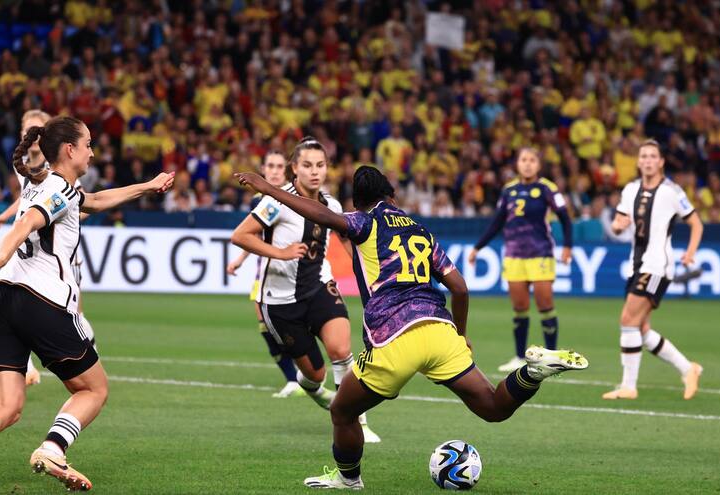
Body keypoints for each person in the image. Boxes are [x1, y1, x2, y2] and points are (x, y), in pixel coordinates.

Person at [235, 165, 589, 490]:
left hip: (394, 334)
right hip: (439, 329)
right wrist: (462, 334)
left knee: (343, 411)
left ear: (359, 203)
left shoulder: (364, 222)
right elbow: (460, 288)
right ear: (392, 196)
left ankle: (349, 479)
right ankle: (533, 373)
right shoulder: (421, 231)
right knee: (494, 407)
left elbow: (324, 216)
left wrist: (268, 187)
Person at [0, 115, 174, 493]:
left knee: (7, 404)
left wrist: (148, 186)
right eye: (88, 144)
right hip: (40, 300)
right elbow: (28, 223)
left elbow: (97, 200)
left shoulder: (48, 186)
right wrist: (2, 254)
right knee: (93, 389)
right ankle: (52, 449)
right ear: (70, 150)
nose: (92, 151)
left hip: (0, 299)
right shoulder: (59, 191)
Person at [230, 137, 380, 442]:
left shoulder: (332, 205)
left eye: (321, 165)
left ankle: (357, 422)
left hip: (319, 287)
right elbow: (240, 235)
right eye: (308, 165)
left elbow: (348, 243)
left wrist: (372, 275)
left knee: (341, 350)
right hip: (280, 301)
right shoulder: (275, 203)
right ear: (294, 169)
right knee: (315, 374)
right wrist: (282, 253)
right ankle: (312, 388)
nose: (315, 172)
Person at [0, 110, 98, 388]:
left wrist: (58, 219)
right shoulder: (23, 164)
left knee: (75, 312)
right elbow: (29, 201)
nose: (32, 133)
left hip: (57, 251)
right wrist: (6, 216)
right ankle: (26, 366)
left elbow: (76, 205)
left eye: (37, 128)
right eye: (28, 128)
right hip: (28, 247)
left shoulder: (64, 174)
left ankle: (87, 354)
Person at [604, 139, 704, 400]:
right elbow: (618, 223)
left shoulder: (672, 191)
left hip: (657, 266)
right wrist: (617, 226)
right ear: (638, 162)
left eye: (652, 156)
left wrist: (690, 252)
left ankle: (628, 385)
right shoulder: (630, 190)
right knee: (641, 329)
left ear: (661, 162)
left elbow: (696, 223)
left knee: (628, 321)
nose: (648, 160)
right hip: (636, 265)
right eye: (644, 156)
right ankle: (688, 368)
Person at [467, 147, 573, 372]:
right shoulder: (509, 190)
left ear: (539, 164)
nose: (527, 164)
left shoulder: (547, 188)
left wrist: (567, 246)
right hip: (514, 255)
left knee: (545, 304)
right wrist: (478, 247)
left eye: (532, 160)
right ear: (517, 164)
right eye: (523, 160)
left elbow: (565, 218)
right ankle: (518, 356)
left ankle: (551, 357)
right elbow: (497, 222)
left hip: (541, 253)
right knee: (520, 307)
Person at [226, 150, 304, 398]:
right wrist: (240, 259)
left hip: (296, 270)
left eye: (279, 166)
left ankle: (307, 373)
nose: (274, 170)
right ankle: (294, 379)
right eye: (270, 165)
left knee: (293, 324)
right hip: (267, 271)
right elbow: (256, 235)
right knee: (265, 324)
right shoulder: (260, 199)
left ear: (288, 170)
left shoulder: (292, 197)